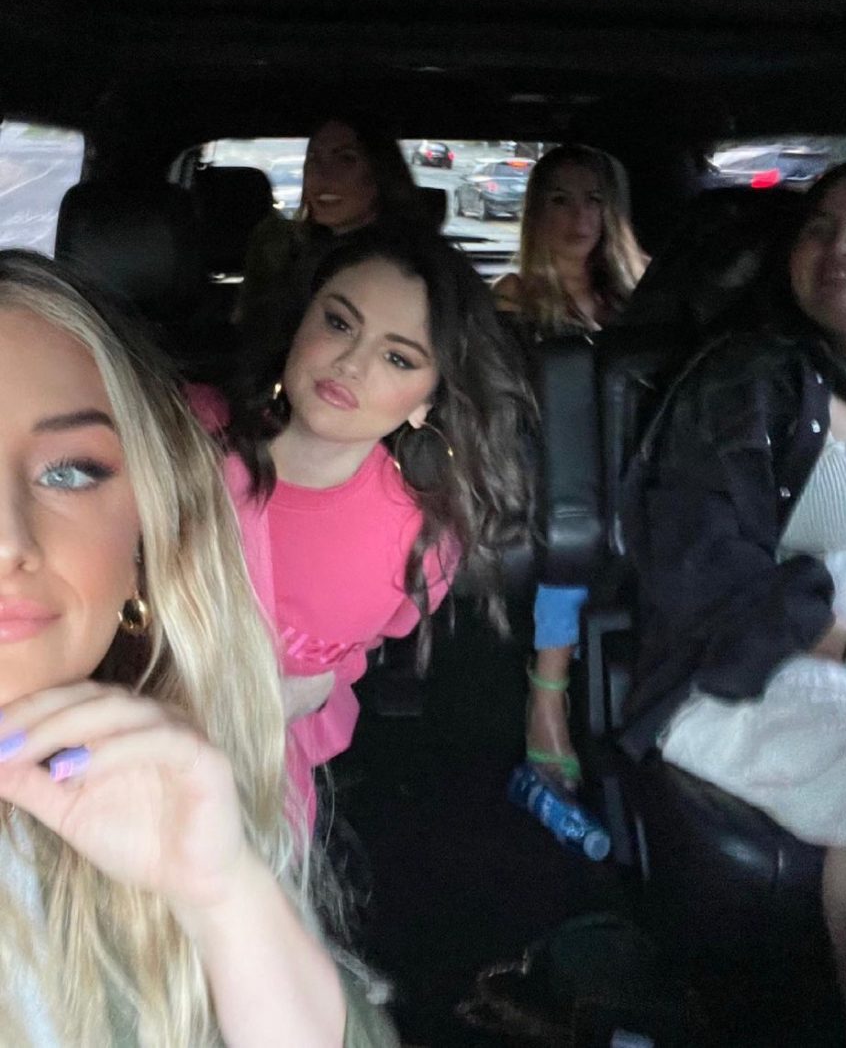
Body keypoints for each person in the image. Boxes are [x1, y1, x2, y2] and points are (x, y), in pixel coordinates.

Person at [620, 160, 846, 1026]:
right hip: (758, 679)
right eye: (818, 226)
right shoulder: (745, 381)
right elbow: (698, 566)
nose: (838, 246)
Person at [0, 250, 397, 1047]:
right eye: (339, 324)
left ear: (146, 544)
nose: (7, 540)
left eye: (70, 473)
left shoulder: (168, 814)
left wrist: (226, 901)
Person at [193, 224, 534, 828]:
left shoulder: (422, 537)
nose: (351, 364)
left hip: (258, 787)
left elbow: (365, 644)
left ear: (427, 400)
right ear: (301, 321)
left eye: (398, 358)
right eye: (339, 323)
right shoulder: (182, 436)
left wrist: (307, 687)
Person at [492, 143, 646, 788]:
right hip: (550, 478)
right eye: (560, 200)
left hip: (634, 469)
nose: (579, 217)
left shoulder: (639, 295)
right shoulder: (514, 297)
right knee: (572, 529)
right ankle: (547, 697)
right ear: (537, 214)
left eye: (594, 201)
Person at [238, 112, 425, 330]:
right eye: (313, 159)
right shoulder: (295, 251)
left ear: (380, 173)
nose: (322, 175)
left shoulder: (402, 267)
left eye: (345, 159)